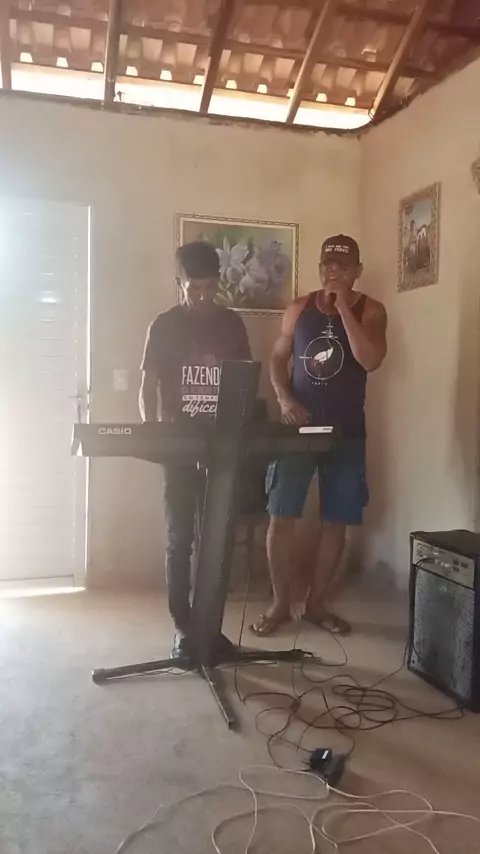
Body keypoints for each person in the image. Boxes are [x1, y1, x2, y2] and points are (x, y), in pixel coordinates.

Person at [251, 235, 387, 637]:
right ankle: (279, 604)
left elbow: (370, 360)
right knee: (282, 514)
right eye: (328, 264)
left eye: (343, 266)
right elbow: (278, 359)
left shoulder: (372, 310)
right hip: (297, 431)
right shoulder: (299, 308)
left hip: (346, 432)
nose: (334, 271)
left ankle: (316, 604)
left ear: (357, 271)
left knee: (337, 519)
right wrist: (284, 398)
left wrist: (343, 307)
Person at [139, 241, 251, 655]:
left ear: (218, 282)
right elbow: (147, 385)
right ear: (179, 284)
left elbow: (244, 381)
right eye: (193, 289)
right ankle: (183, 625)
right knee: (180, 536)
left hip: (220, 445)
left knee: (215, 537)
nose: (202, 297)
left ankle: (209, 624)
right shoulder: (164, 325)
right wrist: (151, 430)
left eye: (209, 288)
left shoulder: (232, 324)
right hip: (178, 444)